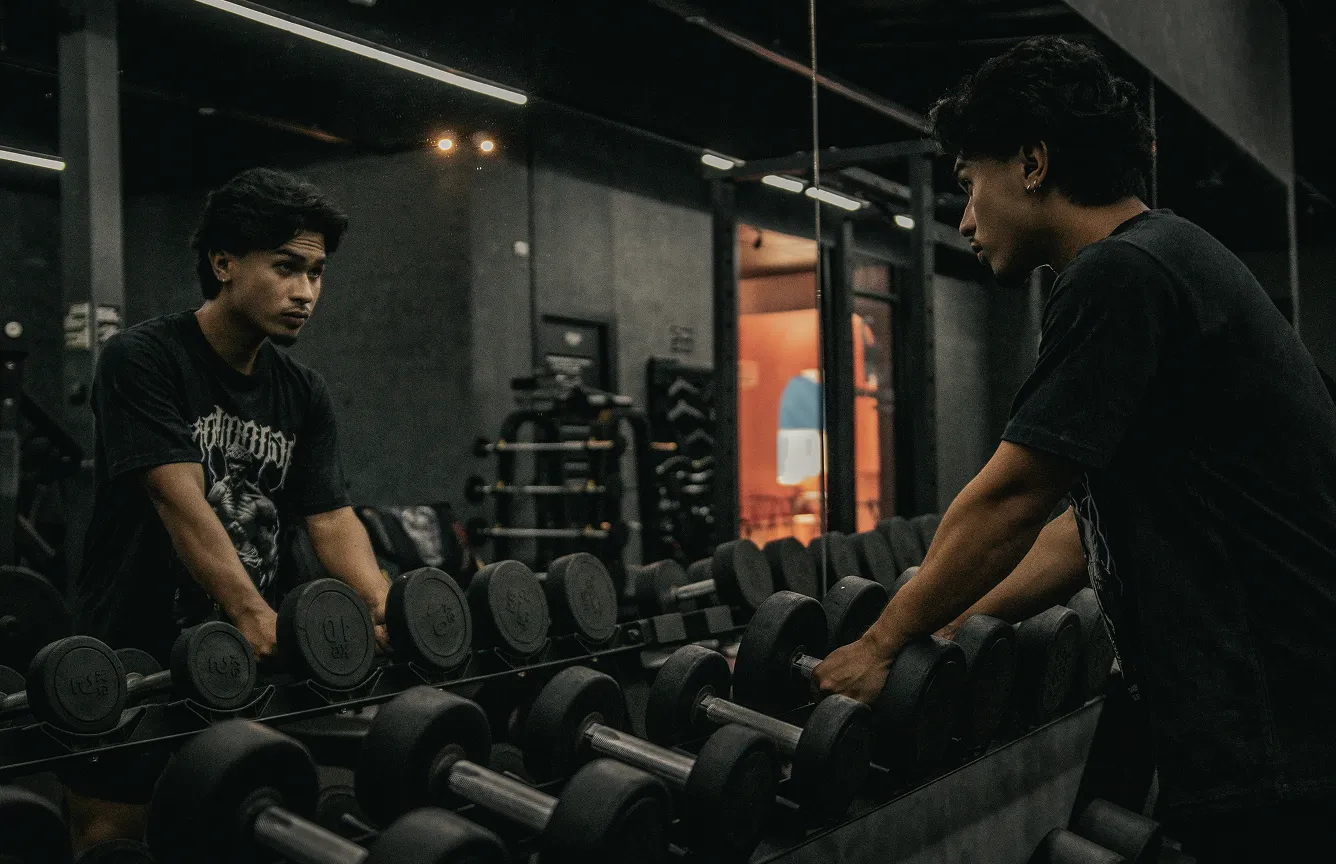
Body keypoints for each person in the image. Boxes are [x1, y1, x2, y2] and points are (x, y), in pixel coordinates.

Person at [813, 36, 1336, 861]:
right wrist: (944, 625)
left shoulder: (1119, 275)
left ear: (1032, 162)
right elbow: (1071, 534)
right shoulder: (1162, 258)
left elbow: (1014, 497)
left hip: (1281, 725)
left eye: (967, 182)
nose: (965, 218)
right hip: (1278, 717)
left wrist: (881, 644)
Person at [66, 167, 393, 851]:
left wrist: (383, 609)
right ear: (223, 263)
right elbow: (177, 498)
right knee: (115, 833)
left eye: (316, 273)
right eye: (286, 268)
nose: (306, 292)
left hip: (241, 659)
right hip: (135, 649)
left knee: (226, 822)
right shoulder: (142, 359)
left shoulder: (302, 391)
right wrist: (253, 615)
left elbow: (330, 517)